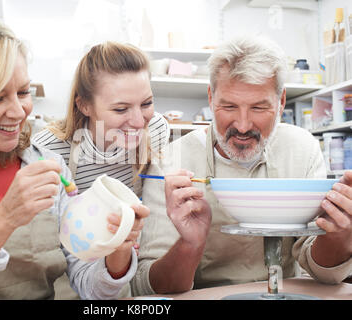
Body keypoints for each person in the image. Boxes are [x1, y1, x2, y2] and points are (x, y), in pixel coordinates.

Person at [0, 17, 149, 300]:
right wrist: (4, 218)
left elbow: (89, 287)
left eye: (23, 92)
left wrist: (117, 249)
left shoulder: (48, 165)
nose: (19, 112)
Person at [131, 35, 351, 295]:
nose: (243, 126)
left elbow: (323, 273)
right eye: (229, 106)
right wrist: (190, 244)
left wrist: (340, 235)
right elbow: (147, 285)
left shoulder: (302, 149)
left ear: (281, 103)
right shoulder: (170, 162)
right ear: (211, 98)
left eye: (259, 107)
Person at [33, 41, 170, 197]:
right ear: (85, 105)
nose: (139, 122)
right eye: (121, 109)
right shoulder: (47, 151)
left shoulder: (156, 129)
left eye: (146, 103)